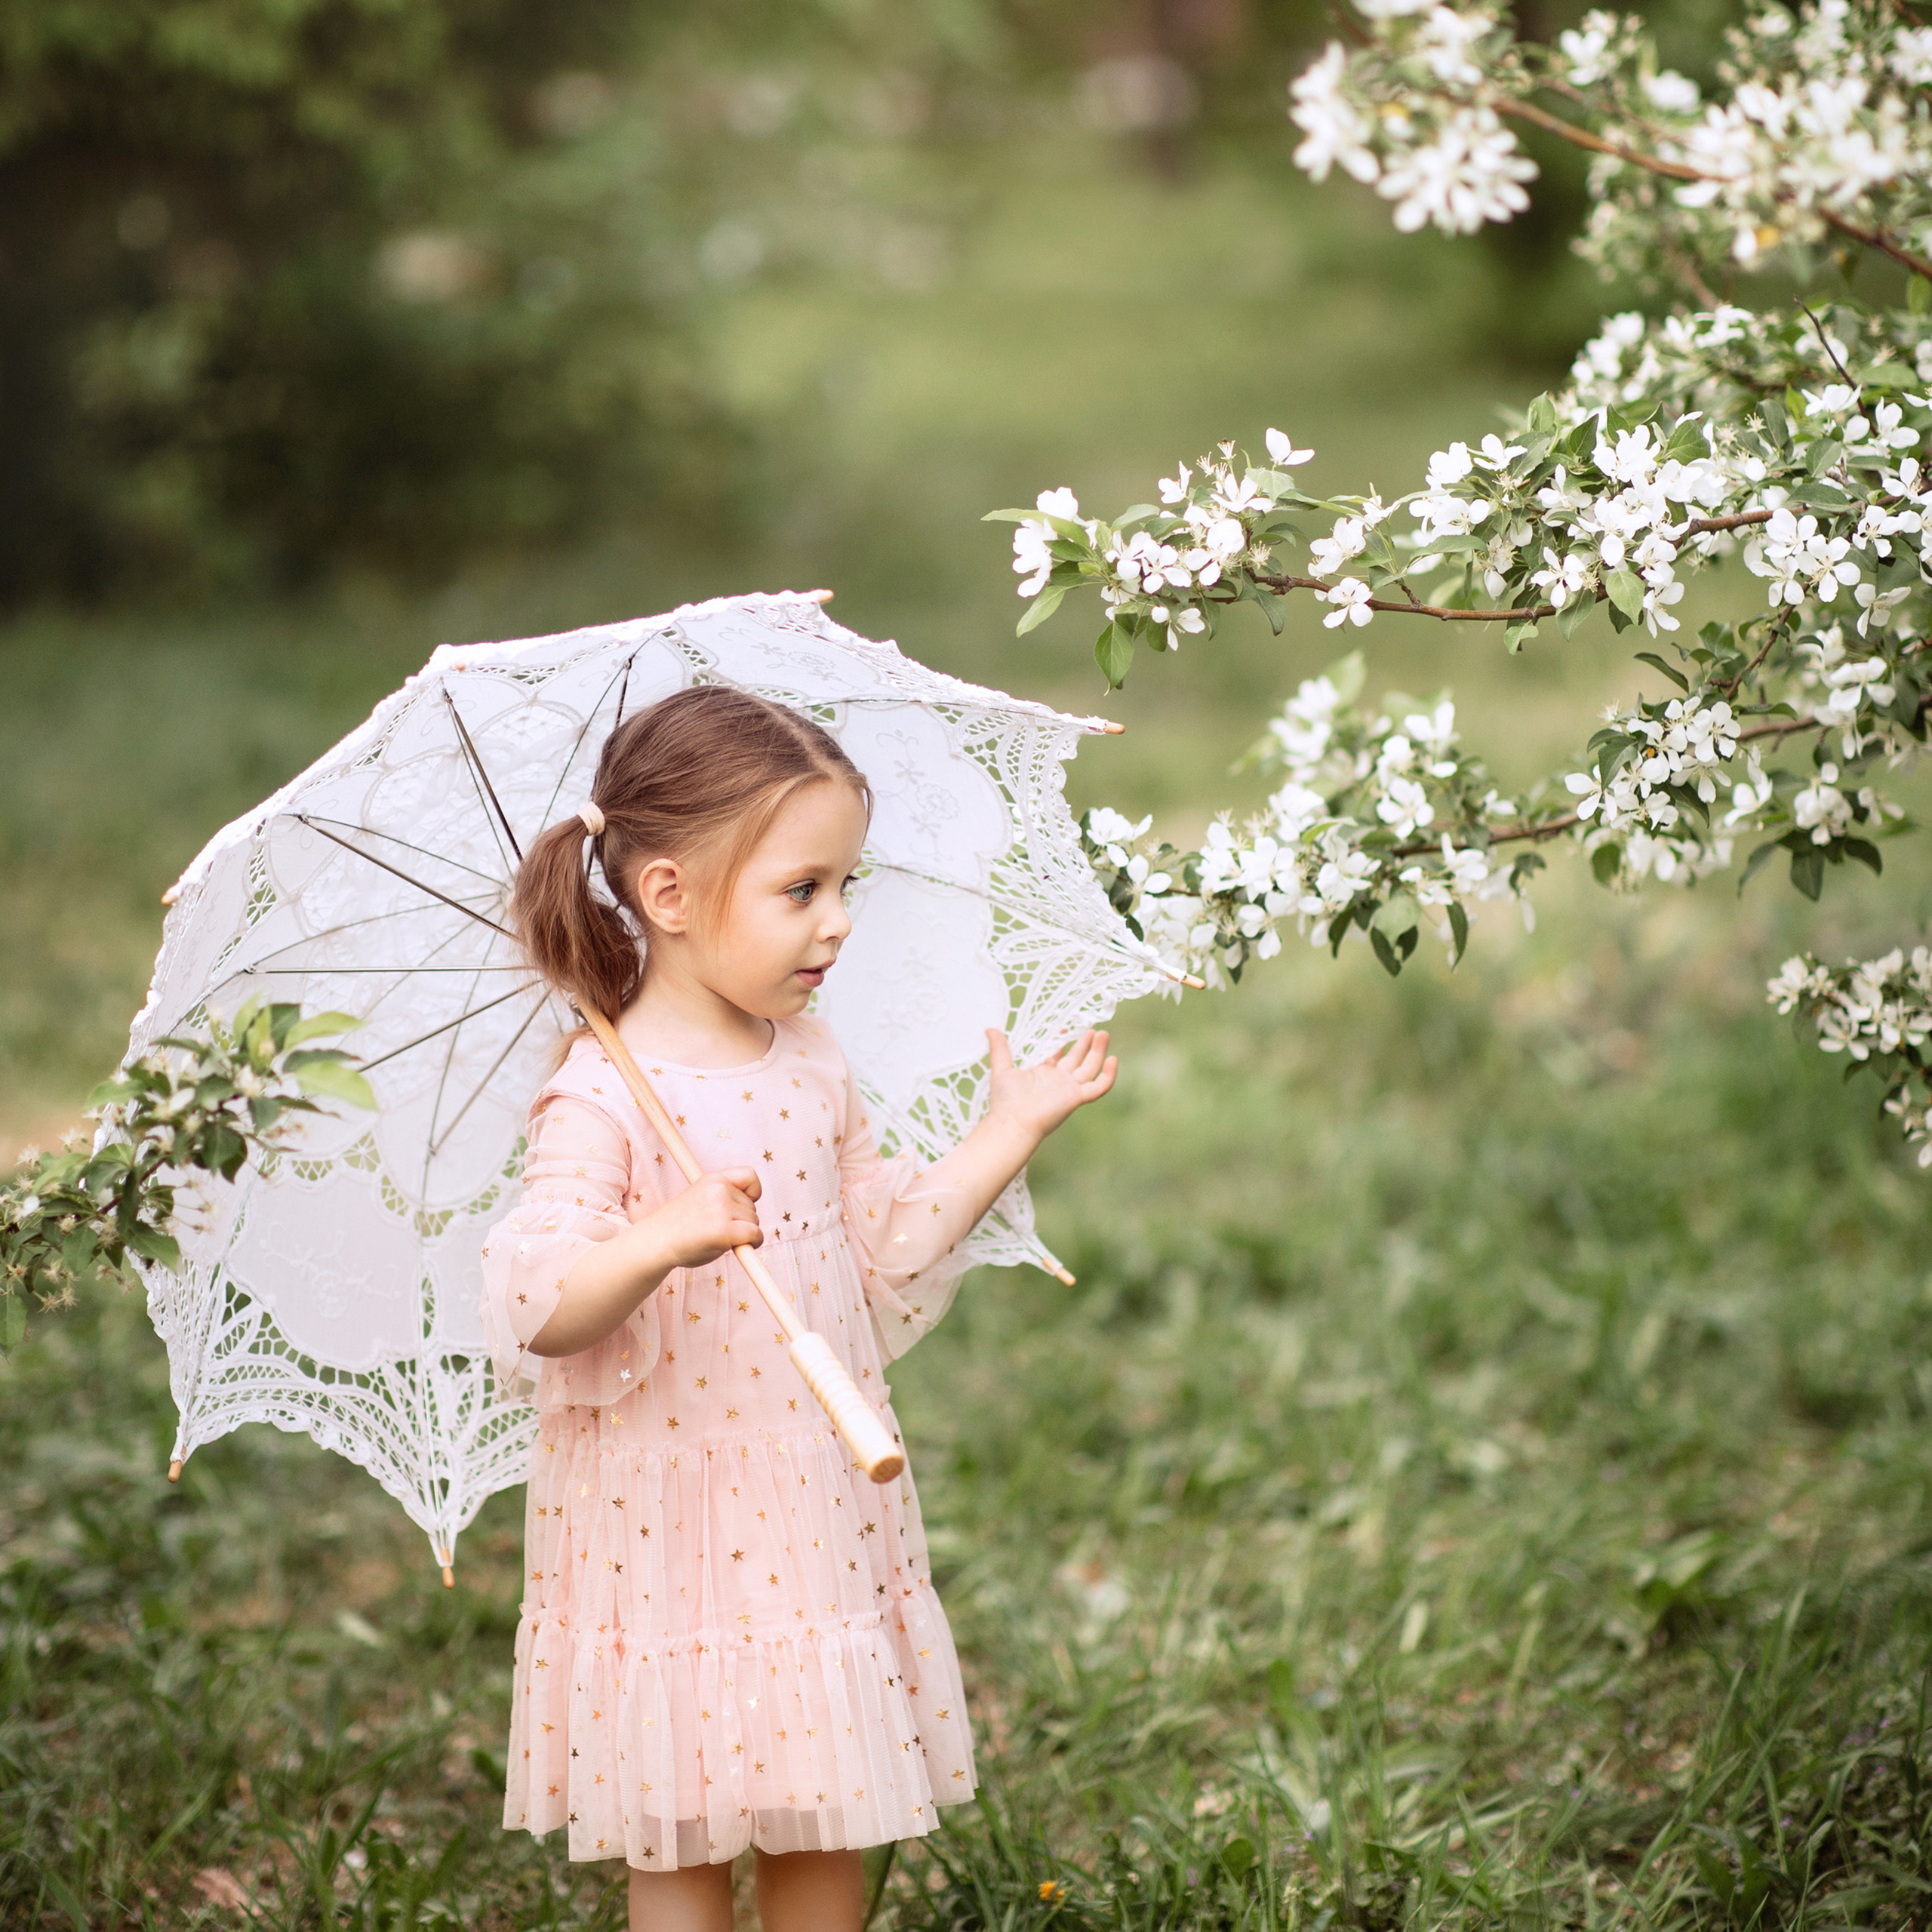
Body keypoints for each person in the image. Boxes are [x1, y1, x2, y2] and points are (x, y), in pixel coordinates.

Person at [480, 685, 1117, 1932]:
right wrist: (659, 1237)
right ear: (668, 898)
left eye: (845, 889)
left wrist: (1006, 1134)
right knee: (683, 1825)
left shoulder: (814, 1061)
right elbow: (538, 1302)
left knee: (826, 1795)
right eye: (800, 891)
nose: (833, 926)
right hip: (663, 1518)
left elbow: (884, 1253)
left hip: (809, 1494)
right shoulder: (601, 1093)